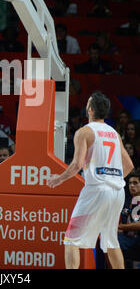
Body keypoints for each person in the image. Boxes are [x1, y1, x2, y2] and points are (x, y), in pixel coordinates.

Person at [47, 91, 134, 269]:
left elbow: (77, 164)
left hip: (97, 190)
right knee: (111, 241)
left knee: (71, 239)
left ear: (91, 110)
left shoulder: (84, 132)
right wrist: (112, 178)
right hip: (117, 192)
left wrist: (59, 179)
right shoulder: (114, 133)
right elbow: (129, 165)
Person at [118, 171, 140, 263]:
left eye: (135, 183)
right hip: (127, 238)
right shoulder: (126, 202)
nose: (131, 185)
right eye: (130, 183)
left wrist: (120, 227)